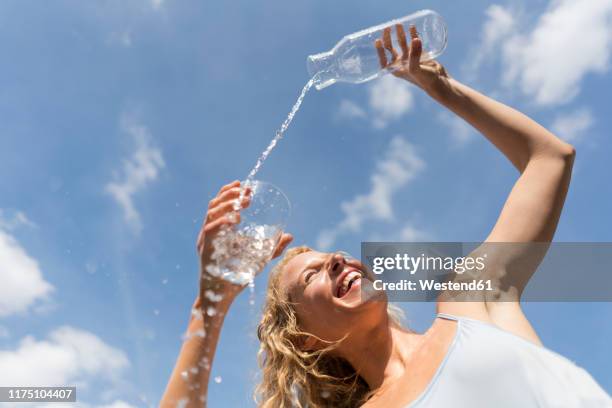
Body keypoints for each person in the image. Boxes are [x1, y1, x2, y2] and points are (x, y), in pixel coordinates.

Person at [161, 25, 612, 407]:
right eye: (312, 275)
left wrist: (444, 90)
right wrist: (208, 308)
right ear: (303, 340)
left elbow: (550, 159)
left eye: (331, 255)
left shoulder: (470, 301)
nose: (338, 258)